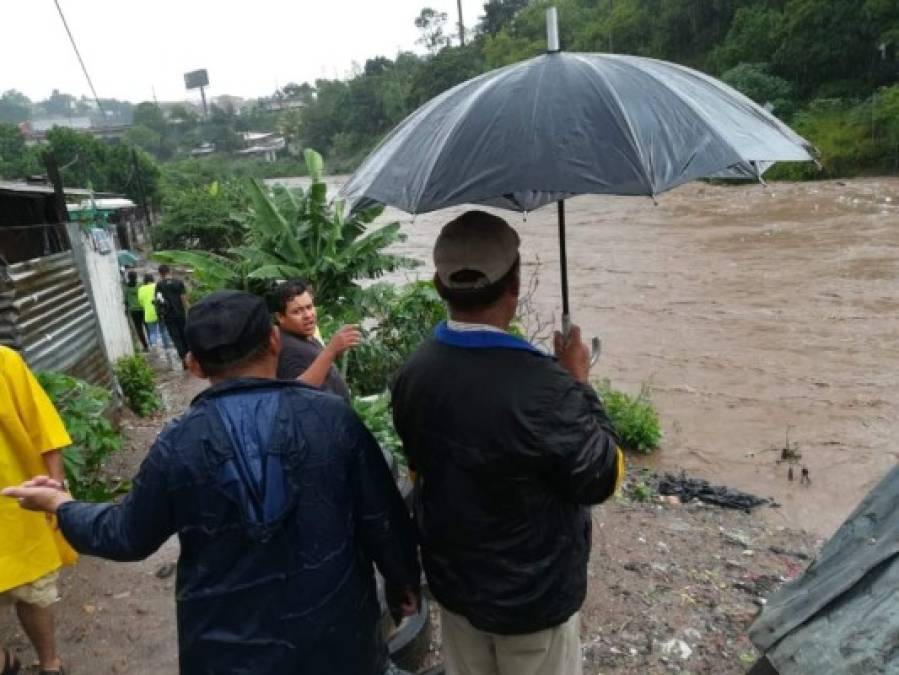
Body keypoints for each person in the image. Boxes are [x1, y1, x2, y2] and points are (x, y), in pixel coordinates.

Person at [3, 290, 421, 675]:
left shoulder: (178, 442)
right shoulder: (332, 418)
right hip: (337, 640)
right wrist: (402, 581)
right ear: (274, 341)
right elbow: (381, 514)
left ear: (195, 365)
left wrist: (60, 505)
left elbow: (126, 536)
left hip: (225, 653)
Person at [391, 211, 625, 675]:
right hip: (532, 602)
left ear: (440, 287)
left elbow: (419, 470)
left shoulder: (412, 373)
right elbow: (603, 476)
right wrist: (578, 382)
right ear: (515, 286)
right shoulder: (546, 388)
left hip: (455, 587)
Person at [0, 346, 73, 675]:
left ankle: (50, 664)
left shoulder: (4, 362)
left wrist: (55, 492)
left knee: (32, 593)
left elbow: (43, 427)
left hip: (15, 503)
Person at [270, 279, 360, 401]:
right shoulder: (287, 348)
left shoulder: (303, 336)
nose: (308, 315)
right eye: (297, 311)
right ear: (280, 317)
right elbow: (298, 392)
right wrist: (331, 350)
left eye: (309, 307)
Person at [155, 264, 190, 366]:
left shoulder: (159, 285)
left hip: (168, 316)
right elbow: (183, 298)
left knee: (176, 338)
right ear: (169, 271)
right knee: (185, 335)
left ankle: (184, 359)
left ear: (160, 273)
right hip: (180, 314)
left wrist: (160, 314)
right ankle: (190, 357)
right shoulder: (178, 282)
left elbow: (158, 300)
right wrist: (188, 311)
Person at [137, 273, 171, 351]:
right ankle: (167, 346)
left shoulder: (141, 289)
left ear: (144, 280)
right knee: (163, 330)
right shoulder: (157, 285)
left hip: (148, 314)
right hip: (160, 312)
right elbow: (162, 298)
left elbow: (141, 303)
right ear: (152, 279)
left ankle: (154, 348)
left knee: (152, 332)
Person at [122, 270, 148, 352]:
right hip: (142, 308)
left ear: (129, 278)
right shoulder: (140, 285)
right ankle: (152, 342)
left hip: (133, 311)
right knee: (147, 326)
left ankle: (145, 346)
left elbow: (126, 300)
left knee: (139, 329)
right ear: (136, 277)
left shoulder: (126, 288)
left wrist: (126, 309)